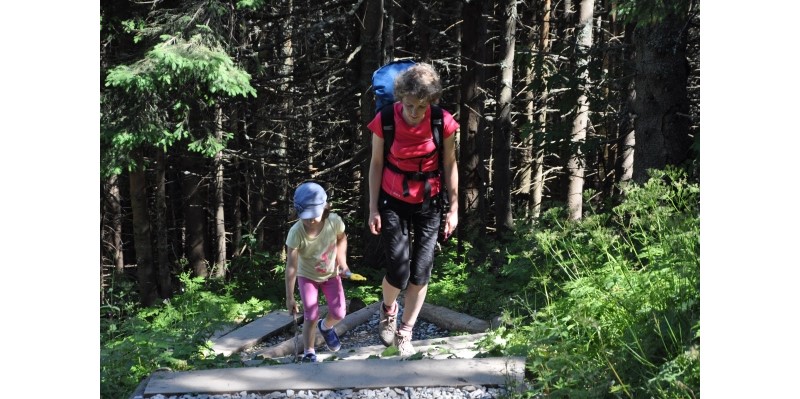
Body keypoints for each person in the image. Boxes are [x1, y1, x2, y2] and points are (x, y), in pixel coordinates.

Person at [366, 62, 459, 356]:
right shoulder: (386, 119)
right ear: (400, 98)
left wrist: (454, 208)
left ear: (431, 101)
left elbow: (450, 164)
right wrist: (373, 208)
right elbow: (376, 164)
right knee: (398, 268)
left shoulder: (442, 121)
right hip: (392, 200)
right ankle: (389, 309)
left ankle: (405, 331)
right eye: (409, 105)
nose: (415, 113)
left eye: (421, 106)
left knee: (420, 272)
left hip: (429, 203)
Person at [285, 181, 351, 363]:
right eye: (306, 216)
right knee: (310, 315)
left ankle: (326, 327)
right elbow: (291, 266)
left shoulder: (334, 222)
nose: (311, 220)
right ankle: (309, 351)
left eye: (314, 215)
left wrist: (342, 262)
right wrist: (290, 296)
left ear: (325, 207)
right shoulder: (296, 232)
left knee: (339, 313)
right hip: (307, 277)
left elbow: (342, 239)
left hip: (331, 274)